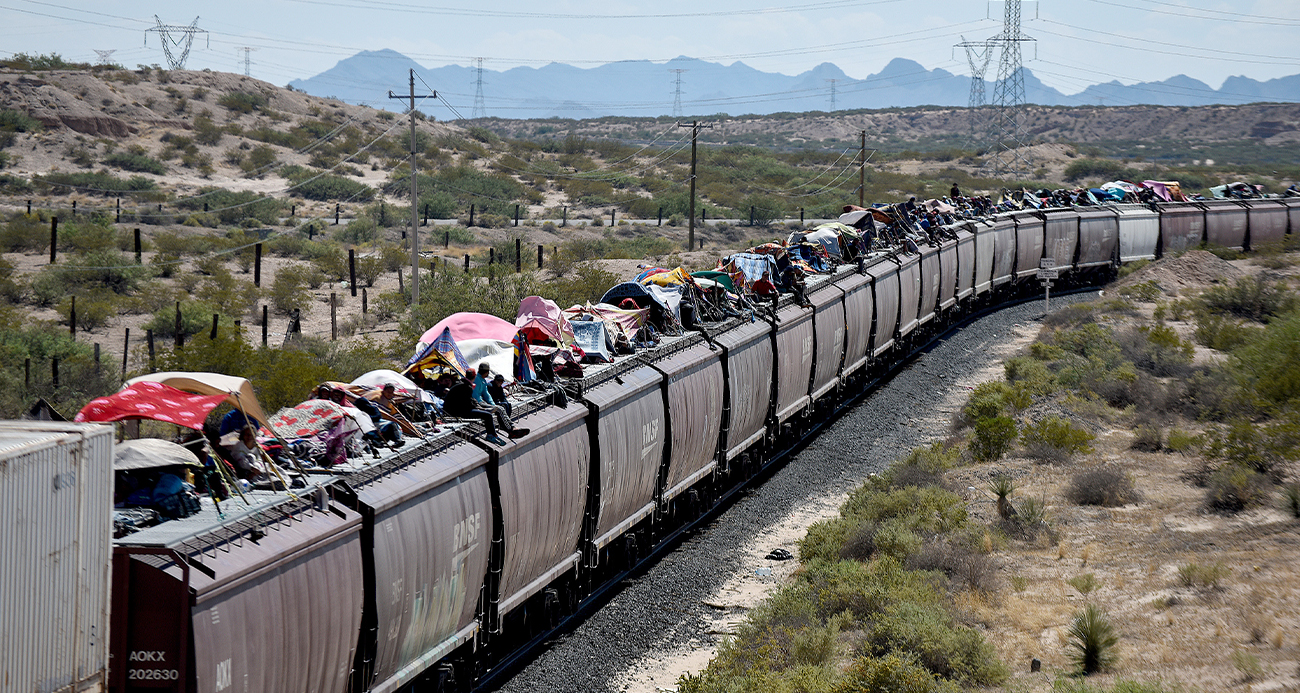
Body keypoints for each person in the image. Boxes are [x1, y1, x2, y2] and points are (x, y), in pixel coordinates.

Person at [444, 374, 528, 445]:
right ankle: (493, 435)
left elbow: (470, 400)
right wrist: (479, 408)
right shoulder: (465, 387)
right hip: (460, 412)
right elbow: (466, 403)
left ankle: (506, 430)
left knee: (499, 409)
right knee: (488, 415)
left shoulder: (462, 386)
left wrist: (478, 407)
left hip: (463, 409)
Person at [473, 362, 520, 435]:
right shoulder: (477, 380)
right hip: (478, 403)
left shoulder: (483, 380)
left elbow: (487, 395)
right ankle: (510, 430)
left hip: (482, 402)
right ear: (486, 371)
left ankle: (511, 426)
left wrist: (493, 405)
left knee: (501, 408)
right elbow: (475, 396)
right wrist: (485, 404)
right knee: (500, 409)